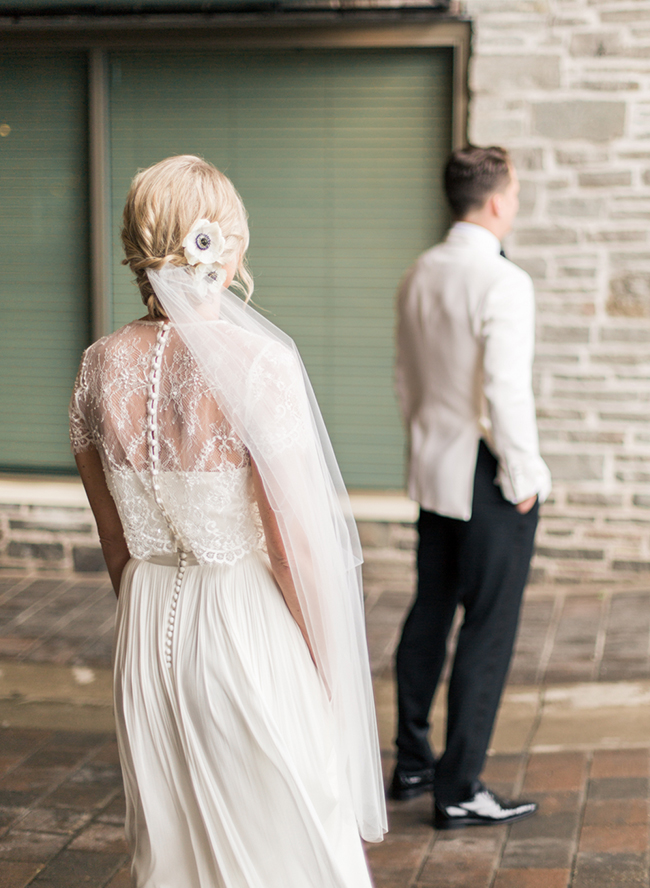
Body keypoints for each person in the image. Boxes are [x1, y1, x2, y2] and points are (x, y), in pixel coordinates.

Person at [69, 154, 386, 887]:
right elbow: (291, 548)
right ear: (228, 245)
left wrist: (148, 628)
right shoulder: (257, 364)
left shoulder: (95, 366)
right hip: (244, 625)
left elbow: (113, 540)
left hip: (145, 626)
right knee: (291, 838)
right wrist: (324, 666)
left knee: (173, 849)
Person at [392, 145, 551, 830]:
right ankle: (458, 788)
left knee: (431, 611)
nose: (515, 203)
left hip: (434, 471)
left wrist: (425, 447)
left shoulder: (418, 272)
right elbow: (504, 390)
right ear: (493, 200)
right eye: (513, 193)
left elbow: (405, 378)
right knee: (488, 628)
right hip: (488, 477)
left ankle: (412, 761)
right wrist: (525, 475)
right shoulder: (502, 281)